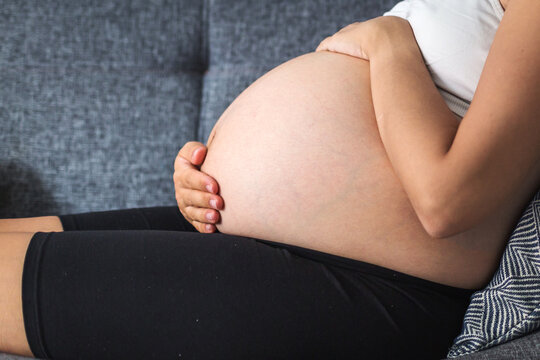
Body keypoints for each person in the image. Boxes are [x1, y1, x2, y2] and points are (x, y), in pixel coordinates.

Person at [1, 0, 538, 359]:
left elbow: (448, 201)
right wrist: (213, 174)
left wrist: (389, 40)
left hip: (367, 285)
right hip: (265, 239)